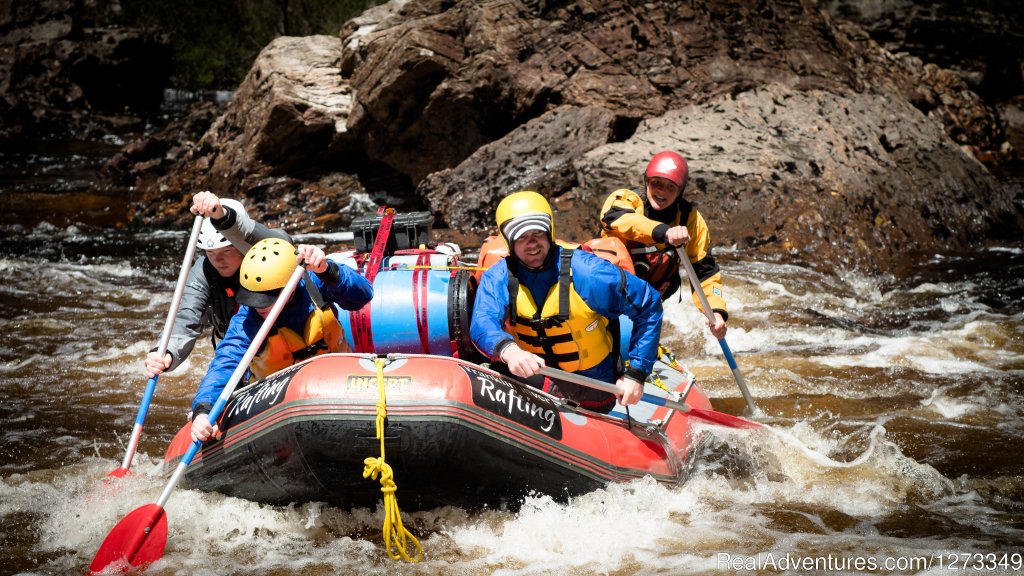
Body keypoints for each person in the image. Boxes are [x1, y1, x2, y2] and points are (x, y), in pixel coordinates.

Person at [470, 191, 664, 414]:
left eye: (538, 233)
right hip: (534, 382)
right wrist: (508, 350)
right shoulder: (498, 277)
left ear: (549, 231)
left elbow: (649, 305)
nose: (532, 243)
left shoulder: (589, 273)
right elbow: (482, 321)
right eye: (521, 236)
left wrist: (636, 374)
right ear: (508, 240)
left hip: (593, 390)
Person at [190, 238, 374, 441]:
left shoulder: (314, 282)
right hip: (279, 402)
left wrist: (328, 270)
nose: (259, 307)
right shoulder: (248, 320)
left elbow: (363, 296)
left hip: (341, 380)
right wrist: (203, 410)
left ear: (291, 287)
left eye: (266, 300)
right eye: (254, 298)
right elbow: (225, 363)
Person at [144, 191, 291, 379]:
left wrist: (222, 215)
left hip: (288, 339)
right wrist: (167, 352)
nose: (219, 260)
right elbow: (186, 317)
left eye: (227, 251)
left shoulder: (271, 250)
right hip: (240, 348)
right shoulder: (202, 272)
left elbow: (263, 237)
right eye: (211, 253)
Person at [599, 150, 729, 339]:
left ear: (680, 191)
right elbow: (619, 219)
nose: (661, 191)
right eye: (656, 183)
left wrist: (716, 312)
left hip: (646, 301)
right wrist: (664, 232)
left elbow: (704, 272)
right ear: (646, 181)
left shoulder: (689, 218)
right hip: (604, 294)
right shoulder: (626, 199)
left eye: (671, 187)